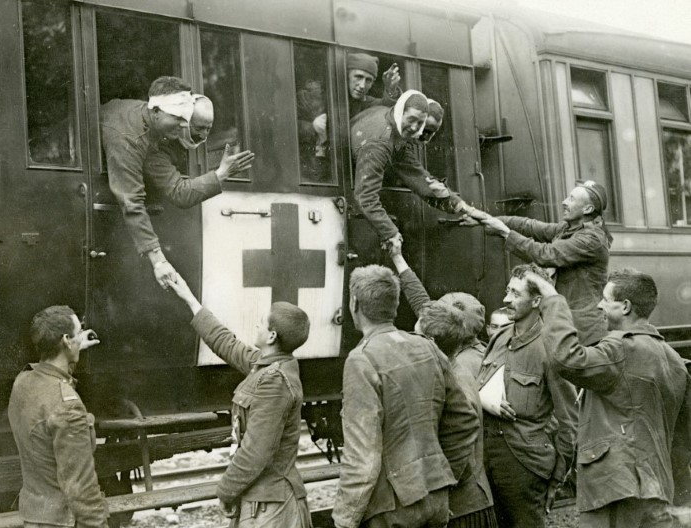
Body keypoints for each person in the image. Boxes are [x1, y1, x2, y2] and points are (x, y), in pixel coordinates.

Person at [528, 268, 691, 528]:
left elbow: (567, 359)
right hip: (656, 487)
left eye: (605, 299)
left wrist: (552, 300)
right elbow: (682, 440)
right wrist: (681, 499)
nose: (599, 305)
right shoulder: (673, 359)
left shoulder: (620, 347)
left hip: (615, 489)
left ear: (625, 306)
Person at [333, 265, 478, 528]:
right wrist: (442, 475)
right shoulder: (426, 347)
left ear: (355, 303)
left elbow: (362, 455)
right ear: (396, 304)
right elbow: (465, 421)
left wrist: (345, 519)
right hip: (435, 498)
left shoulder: (362, 360)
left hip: (391, 508)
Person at [164, 273, 312, 528]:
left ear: (272, 336)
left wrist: (225, 490)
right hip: (263, 502)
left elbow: (256, 451)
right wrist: (189, 298)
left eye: (262, 323)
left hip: (271, 509)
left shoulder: (274, 382)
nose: (257, 325)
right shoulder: (267, 366)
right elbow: (226, 343)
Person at [101, 76, 255, 286]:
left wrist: (220, 175)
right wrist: (158, 261)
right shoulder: (127, 138)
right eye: (178, 118)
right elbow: (131, 202)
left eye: (186, 118)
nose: (184, 125)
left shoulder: (151, 130)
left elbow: (178, 191)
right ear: (155, 111)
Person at [389, 249, 497, 527]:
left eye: (418, 336)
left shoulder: (461, 372)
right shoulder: (454, 355)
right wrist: (400, 260)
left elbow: (463, 430)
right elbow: (423, 306)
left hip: (462, 507)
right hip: (468, 500)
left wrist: (440, 486)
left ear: (433, 340)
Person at [476, 264, 578, 528]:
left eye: (515, 294)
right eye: (508, 291)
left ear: (536, 301)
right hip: (488, 460)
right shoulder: (499, 337)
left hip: (526, 465)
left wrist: (556, 478)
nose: (506, 299)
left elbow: (569, 421)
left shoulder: (551, 347)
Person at [462, 180, 612, 345]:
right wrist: (486, 219)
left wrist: (505, 232)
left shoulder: (592, 238)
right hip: (567, 322)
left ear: (588, 209)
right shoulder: (568, 229)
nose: (564, 202)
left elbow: (546, 254)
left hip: (584, 331)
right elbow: (529, 226)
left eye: (571, 199)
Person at [8, 306, 108, 528]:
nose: (81, 335)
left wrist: (73, 348)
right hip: (62, 522)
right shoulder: (68, 407)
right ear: (65, 340)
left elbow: (52, 377)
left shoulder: (23, 382)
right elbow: (82, 490)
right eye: (78, 331)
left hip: (35, 517)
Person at [351, 89, 481, 252]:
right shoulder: (380, 142)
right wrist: (391, 233)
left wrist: (459, 205)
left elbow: (417, 175)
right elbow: (366, 196)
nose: (416, 130)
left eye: (421, 124)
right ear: (402, 111)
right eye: (411, 120)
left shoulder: (394, 128)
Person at [346, 52, 401, 119]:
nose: (362, 86)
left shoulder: (369, 103)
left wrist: (391, 90)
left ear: (372, 83)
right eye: (358, 77)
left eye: (368, 80)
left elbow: (386, 106)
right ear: (347, 76)